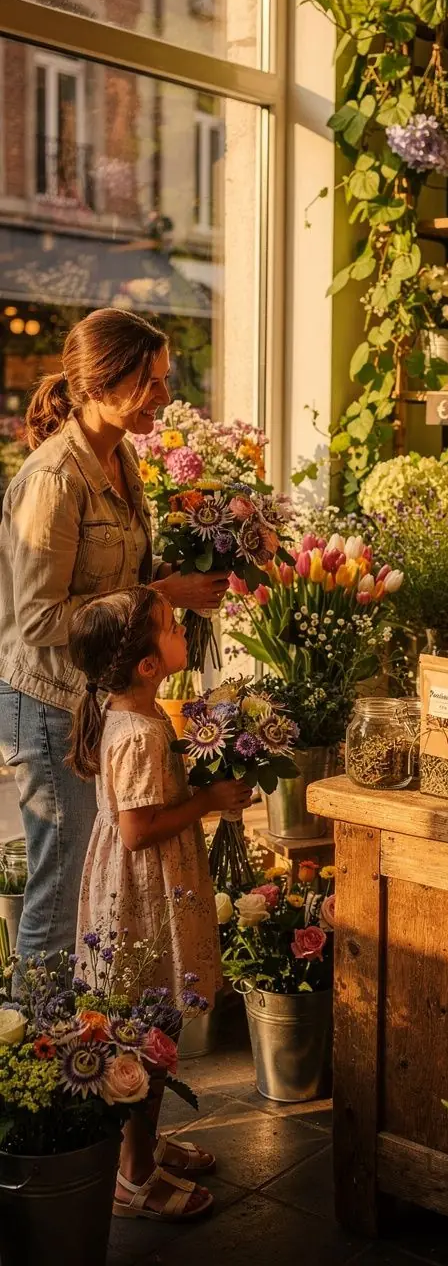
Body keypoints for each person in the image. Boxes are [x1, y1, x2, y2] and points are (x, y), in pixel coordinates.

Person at [0, 309, 230, 964]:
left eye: (164, 379)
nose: (165, 396)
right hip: (46, 704)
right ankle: (35, 1049)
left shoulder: (120, 459)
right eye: (151, 382)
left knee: (87, 889)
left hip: (87, 702)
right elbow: (41, 619)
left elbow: (108, 580)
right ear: (103, 382)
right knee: (63, 887)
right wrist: (161, 596)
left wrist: (176, 574)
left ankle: (82, 1048)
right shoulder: (54, 481)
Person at [68, 584, 252, 1221]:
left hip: (134, 888)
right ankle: (135, 1179)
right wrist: (209, 800)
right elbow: (139, 828)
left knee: (144, 1029)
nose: (182, 630)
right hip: (143, 897)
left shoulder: (127, 714)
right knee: (149, 1033)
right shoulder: (141, 733)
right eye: (173, 625)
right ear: (148, 666)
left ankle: (141, 1148)